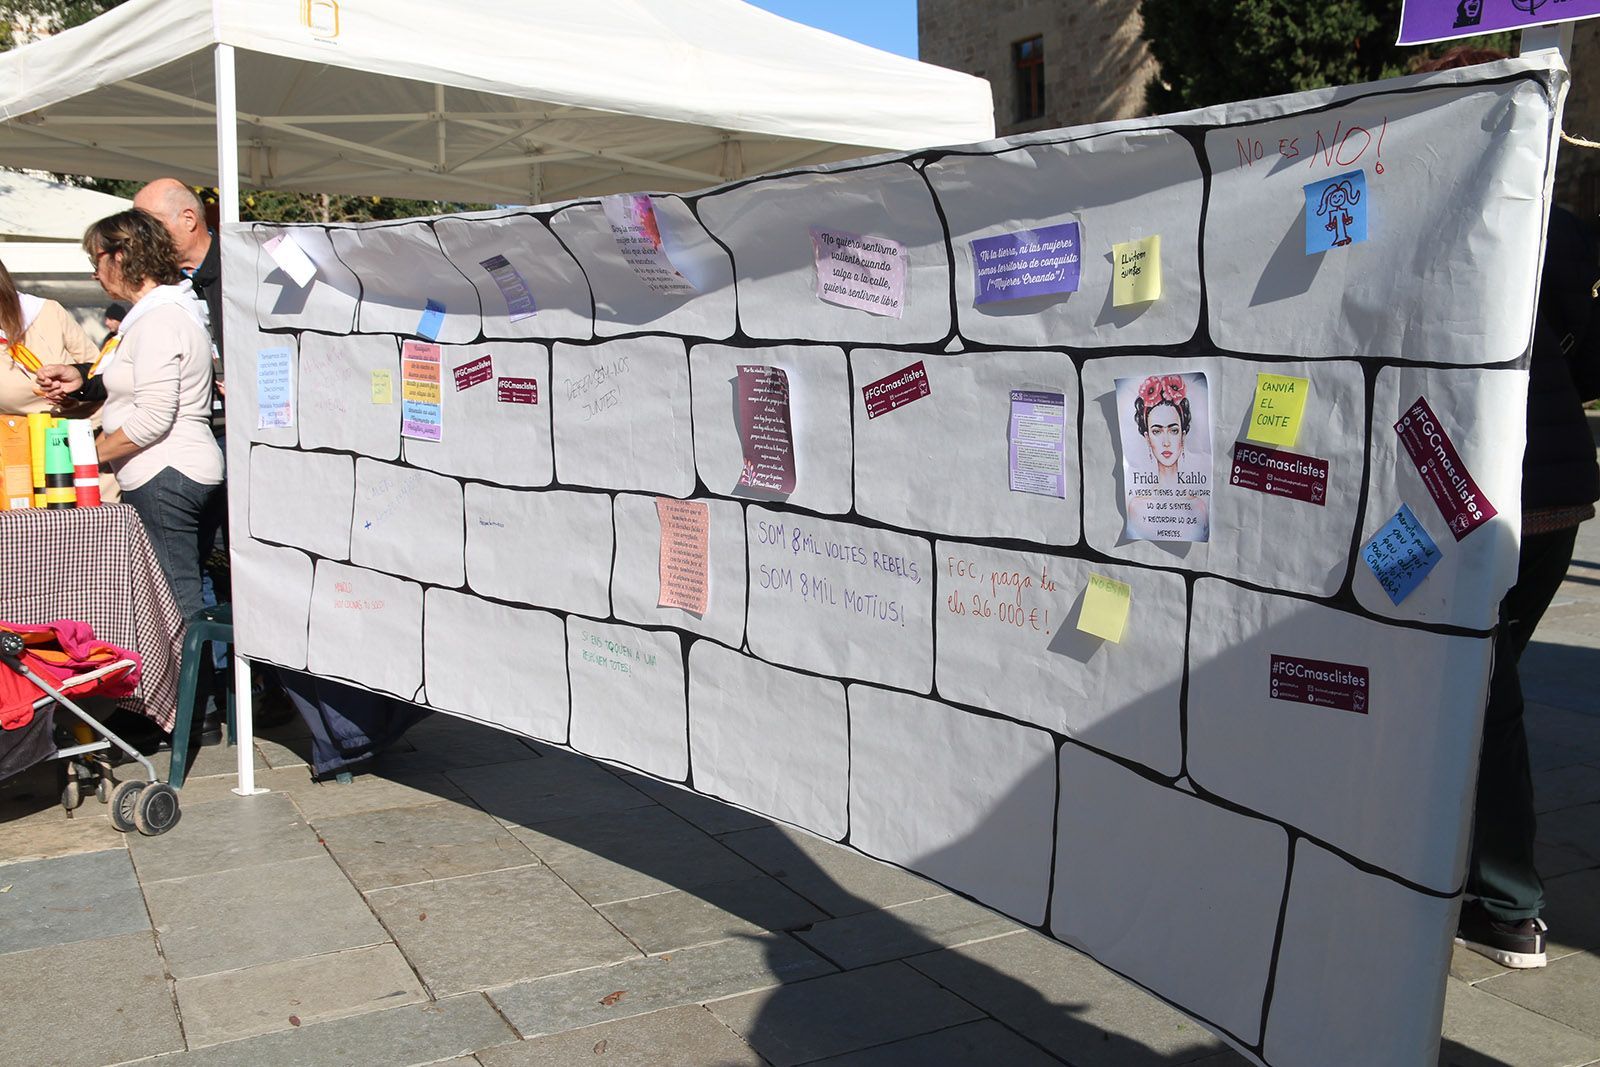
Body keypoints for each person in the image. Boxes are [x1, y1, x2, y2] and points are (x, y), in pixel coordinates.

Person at [1411, 46, 1600, 969]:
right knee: (1485, 679)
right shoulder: (1559, 227)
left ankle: (1506, 900)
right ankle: (1479, 880)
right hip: (1548, 490)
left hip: (1483, 492)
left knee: (1481, 687)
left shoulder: (1425, 217)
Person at [36, 211, 223, 625]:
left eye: (95, 262)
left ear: (120, 257)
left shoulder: (159, 319)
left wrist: (86, 457)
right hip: (173, 470)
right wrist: (82, 384)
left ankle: (188, 690)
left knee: (176, 607)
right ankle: (200, 687)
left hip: (165, 473)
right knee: (182, 598)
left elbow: (153, 417)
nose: (94, 275)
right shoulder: (160, 313)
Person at [0, 258, 98, 415]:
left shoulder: (47, 311)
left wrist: (75, 391)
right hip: (21, 433)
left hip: (86, 425)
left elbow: (100, 370)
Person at [1124, 373, 1210, 541]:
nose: (1166, 442)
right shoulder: (1135, 507)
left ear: (1183, 435)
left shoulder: (1200, 507)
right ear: (1148, 438)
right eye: (1157, 431)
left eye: (1173, 430)